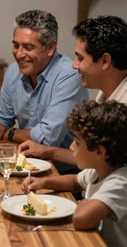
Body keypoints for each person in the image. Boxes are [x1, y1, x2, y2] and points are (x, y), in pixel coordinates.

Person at [18, 15, 127, 167]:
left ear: (104, 61)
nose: (74, 65)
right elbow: (96, 160)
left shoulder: (123, 110)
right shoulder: (106, 93)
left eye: (80, 59)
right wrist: (49, 152)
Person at [0, 9, 88, 173]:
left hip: (65, 173)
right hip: (25, 166)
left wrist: (9, 133)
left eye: (28, 47)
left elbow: (47, 139)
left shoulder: (69, 75)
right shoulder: (14, 71)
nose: (19, 54)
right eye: (16, 45)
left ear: (50, 47)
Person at [21, 100, 127, 246]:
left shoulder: (120, 182)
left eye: (77, 143)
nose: (71, 147)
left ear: (100, 151)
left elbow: (80, 220)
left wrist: (83, 203)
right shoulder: (97, 171)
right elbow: (74, 182)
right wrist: (43, 182)